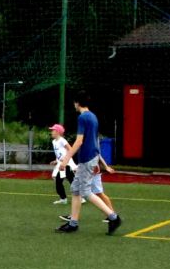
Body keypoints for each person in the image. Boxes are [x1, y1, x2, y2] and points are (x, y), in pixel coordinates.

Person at [56, 96, 122, 235]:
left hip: (87, 159)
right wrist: (97, 160)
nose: (74, 105)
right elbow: (94, 140)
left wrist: (66, 160)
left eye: (74, 102)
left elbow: (79, 141)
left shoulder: (82, 118)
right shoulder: (93, 116)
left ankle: (113, 217)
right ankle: (73, 224)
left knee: (85, 192)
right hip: (90, 158)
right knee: (75, 189)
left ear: (77, 103)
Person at [49, 123, 71, 205]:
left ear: (57, 132)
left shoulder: (62, 140)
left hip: (66, 164)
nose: (51, 132)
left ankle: (64, 199)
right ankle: (64, 198)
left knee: (60, 180)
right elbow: (58, 153)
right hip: (61, 164)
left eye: (53, 130)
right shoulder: (54, 141)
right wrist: (56, 160)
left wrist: (65, 160)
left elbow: (71, 150)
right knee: (71, 180)